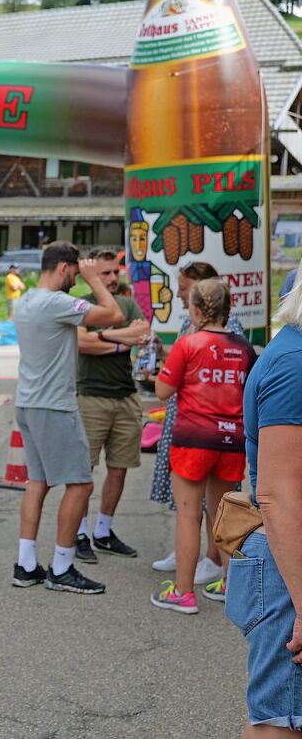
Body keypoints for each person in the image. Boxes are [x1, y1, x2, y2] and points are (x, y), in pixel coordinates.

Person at [11, 242, 123, 594]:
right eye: (76, 271)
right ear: (63, 268)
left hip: (28, 402)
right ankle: (62, 566)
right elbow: (114, 314)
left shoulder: (26, 300)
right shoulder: (55, 302)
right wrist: (96, 280)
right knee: (81, 483)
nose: (78, 276)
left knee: (38, 481)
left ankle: (26, 563)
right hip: (55, 405)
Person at [150, 279, 256, 614]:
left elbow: (163, 391)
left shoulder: (188, 343)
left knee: (189, 516)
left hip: (193, 440)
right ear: (229, 308)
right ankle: (229, 585)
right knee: (223, 514)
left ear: (196, 310)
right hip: (231, 440)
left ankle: (182, 592)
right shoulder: (243, 348)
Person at [230, 261, 302, 737]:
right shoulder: (294, 363)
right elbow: (276, 494)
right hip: (285, 566)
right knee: (282, 718)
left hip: (285, 563)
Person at [74, 249, 152, 563]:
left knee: (119, 469)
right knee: (83, 472)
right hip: (90, 396)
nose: (112, 278)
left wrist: (102, 336)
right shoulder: (81, 304)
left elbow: (143, 333)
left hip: (126, 396)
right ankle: (77, 533)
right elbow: (82, 344)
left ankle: (103, 531)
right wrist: (122, 339)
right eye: (104, 273)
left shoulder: (128, 302)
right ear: (92, 275)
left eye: (115, 272)